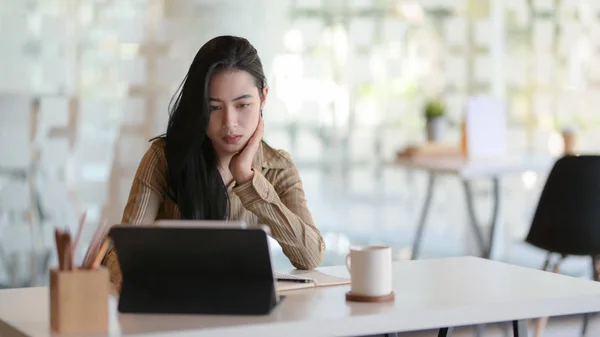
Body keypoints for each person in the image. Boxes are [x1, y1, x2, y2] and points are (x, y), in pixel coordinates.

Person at [103, 36, 325, 289]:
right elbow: (119, 250)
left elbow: (310, 256)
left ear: (263, 97)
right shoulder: (164, 158)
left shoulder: (278, 166)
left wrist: (247, 179)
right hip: (176, 311)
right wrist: (131, 275)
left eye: (242, 105)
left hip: (249, 314)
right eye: (215, 108)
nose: (230, 122)